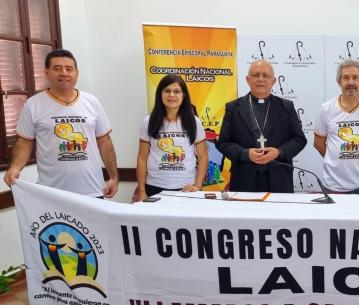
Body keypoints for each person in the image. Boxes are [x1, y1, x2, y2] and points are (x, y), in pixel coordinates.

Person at [3, 49, 118, 198]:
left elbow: (104, 142)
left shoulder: (92, 102)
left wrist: (114, 176)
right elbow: (25, 142)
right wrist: (15, 167)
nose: (64, 73)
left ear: (76, 73)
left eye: (69, 69)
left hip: (93, 190)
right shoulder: (33, 104)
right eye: (57, 68)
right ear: (46, 72)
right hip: (53, 194)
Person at [217, 60, 307, 192]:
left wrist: (279, 152)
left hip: (279, 177)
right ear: (248, 80)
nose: (260, 79)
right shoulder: (233, 107)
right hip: (244, 178)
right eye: (256, 75)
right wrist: (245, 154)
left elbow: (299, 139)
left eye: (265, 75)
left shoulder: (286, 107)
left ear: (273, 81)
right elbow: (223, 143)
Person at [313, 59, 359, 194]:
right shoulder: (326, 109)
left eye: (355, 77)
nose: (351, 82)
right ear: (339, 81)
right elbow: (318, 143)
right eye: (346, 78)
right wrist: (335, 159)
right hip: (334, 183)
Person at [132, 74, 208, 202]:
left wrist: (198, 185)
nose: (171, 95)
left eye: (176, 91)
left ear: (183, 95)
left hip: (186, 187)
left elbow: (203, 156)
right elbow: (142, 158)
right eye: (167, 91)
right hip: (154, 186)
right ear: (160, 94)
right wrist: (141, 190)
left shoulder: (194, 122)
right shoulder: (149, 121)